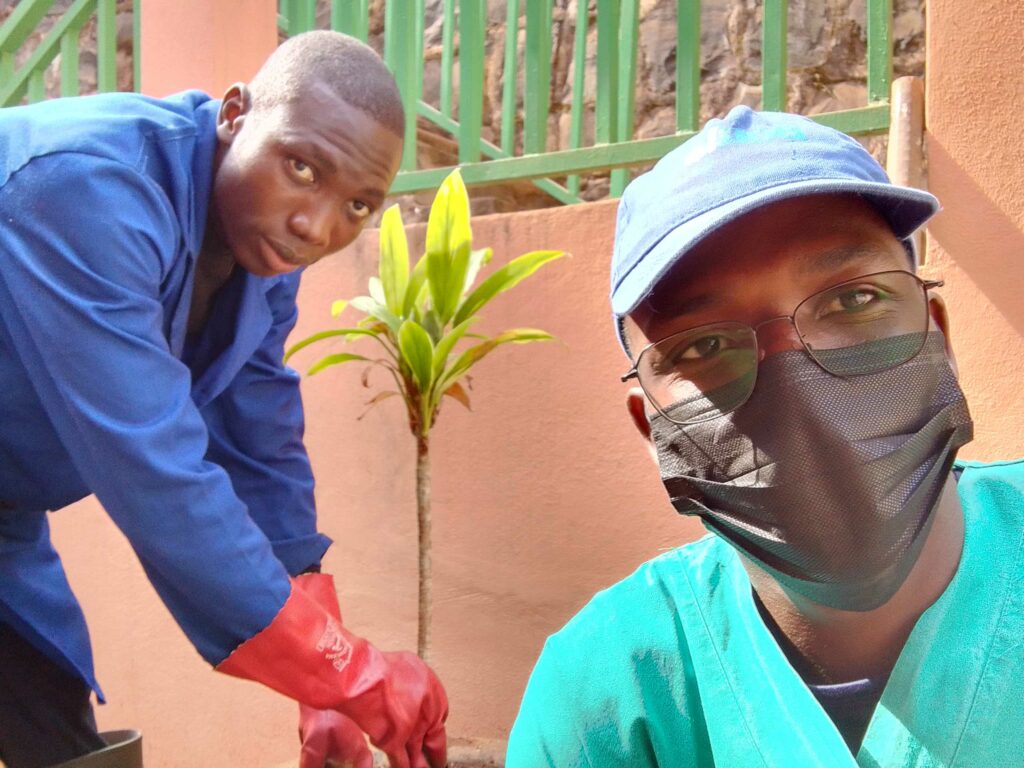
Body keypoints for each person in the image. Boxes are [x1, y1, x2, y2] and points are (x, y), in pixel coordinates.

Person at [507, 106, 1024, 765]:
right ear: (651, 426)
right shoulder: (606, 694)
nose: (800, 381)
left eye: (854, 299)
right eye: (707, 344)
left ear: (939, 338)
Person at [0, 30, 447, 768]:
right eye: (302, 167)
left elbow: (260, 446)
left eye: (358, 206)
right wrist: (351, 673)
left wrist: (323, 691)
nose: (316, 226)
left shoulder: (259, 250)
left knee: (59, 739)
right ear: (235, 113)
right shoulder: (86, 188)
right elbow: (156, 470)